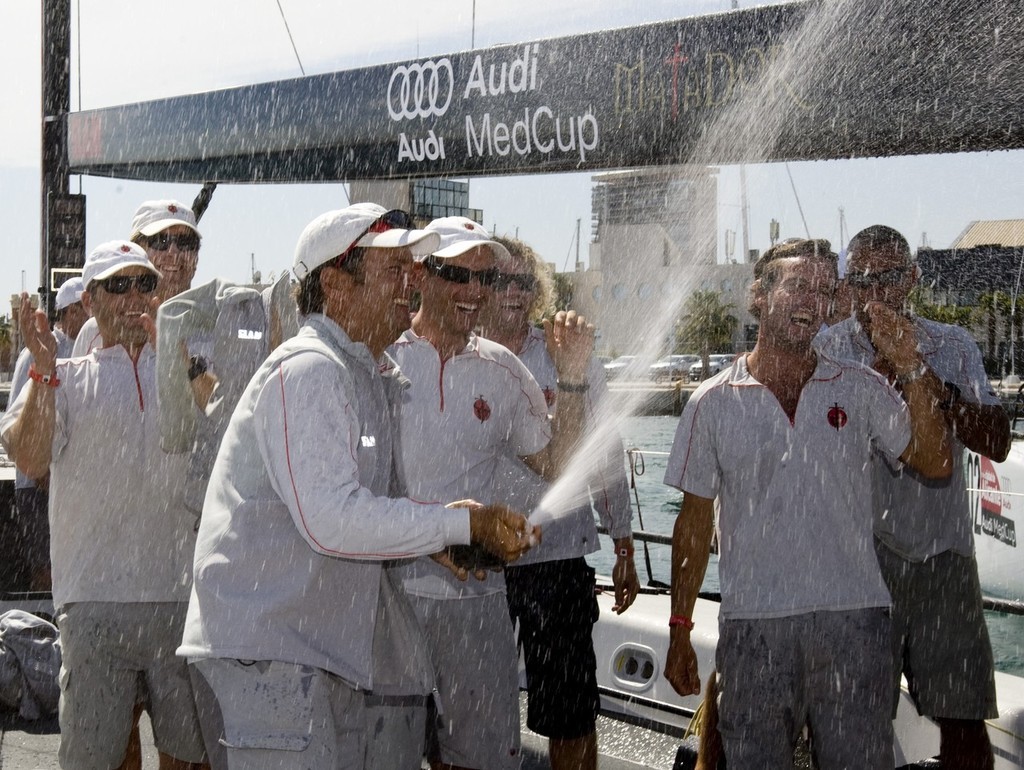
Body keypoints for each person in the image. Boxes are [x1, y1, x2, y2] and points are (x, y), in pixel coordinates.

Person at [177, 204, 538, 770]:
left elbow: (365, 510)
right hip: (270, 655)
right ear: (336, 285)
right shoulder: (309, 370)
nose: (412, 281)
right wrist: (458, 523)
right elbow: (332, 518)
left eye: (413, 268)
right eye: (395, 269)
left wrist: (438, 540)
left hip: (313, 655)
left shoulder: (363, 374)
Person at [663, 238, 953, 769]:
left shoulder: (861, 387)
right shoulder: (711, 403)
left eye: (824, 290)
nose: (811, 300)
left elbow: (936, 462)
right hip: (754, 625)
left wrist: (909, 365)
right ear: (759, 295)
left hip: (855, 623)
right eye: (797, 285)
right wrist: (680, 628)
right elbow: (694, 523)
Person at [387, 217, 594, 770]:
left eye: (485, 278)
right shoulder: (379, 360)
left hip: (476, 607)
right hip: (387, 599)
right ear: (421, 275)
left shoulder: (504, 371)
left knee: (477, 762)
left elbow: (557, 466)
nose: (474, 292)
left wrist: (571, 379)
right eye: (458, 274)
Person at [0, 242, 207, 769]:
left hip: (180, 603)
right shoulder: (63, 376)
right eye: (118, 285)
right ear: (90, 301)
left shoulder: (185, 366)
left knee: (190, 760)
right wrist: (44, 370)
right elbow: (29, 454)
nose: (135, 296)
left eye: (145, 284)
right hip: (94, 604)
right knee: (99, 761)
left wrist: (181, 358)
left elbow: (228, 431)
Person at [817, 225, 1010, 770]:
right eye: (862, 279)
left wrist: (928, 384)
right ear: (847, 284)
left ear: (914, 278)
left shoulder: (952, 344)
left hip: (942, 554)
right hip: (858, 559)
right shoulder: (827, 352)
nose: (875, 292)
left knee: (965, 722)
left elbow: (996, 439)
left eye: (890, 277)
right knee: (853, 715)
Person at [478, 235, 639, 770]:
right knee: (471, 706)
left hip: (559, 558)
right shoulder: (455, 355)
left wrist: (623, 542)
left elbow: (605, 452)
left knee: (570, 713)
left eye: (523, 282)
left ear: (537, 291)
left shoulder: (569, 355)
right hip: (480, 563)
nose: (512, 293)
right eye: (499, 279)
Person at [3, 277, 88, 592]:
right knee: (45, 567)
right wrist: (43, 474)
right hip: (37, 485)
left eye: (88, 305)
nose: (86, 314)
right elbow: (18, 425)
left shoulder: (89, 348)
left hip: (66, 482)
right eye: (78, 308)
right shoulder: (38, 349)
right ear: (65, 313)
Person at [74, 199, 202, 355]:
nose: (173, 252)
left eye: (186, 242)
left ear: (196, 256)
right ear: (137, 251)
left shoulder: (221, 321)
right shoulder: (96, 330)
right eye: (160, 241)